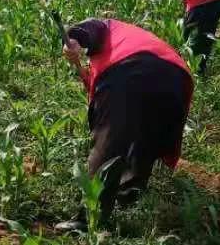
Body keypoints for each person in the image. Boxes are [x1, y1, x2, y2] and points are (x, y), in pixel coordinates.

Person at [58, 17, 194, 230]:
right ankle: (129, 192)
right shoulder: (136, 38)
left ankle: (89, 218)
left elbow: (93, 27)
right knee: (147, 137)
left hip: (131, 66)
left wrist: (73, 38)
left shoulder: (109, 28)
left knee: (109, 141)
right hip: (177, 78)